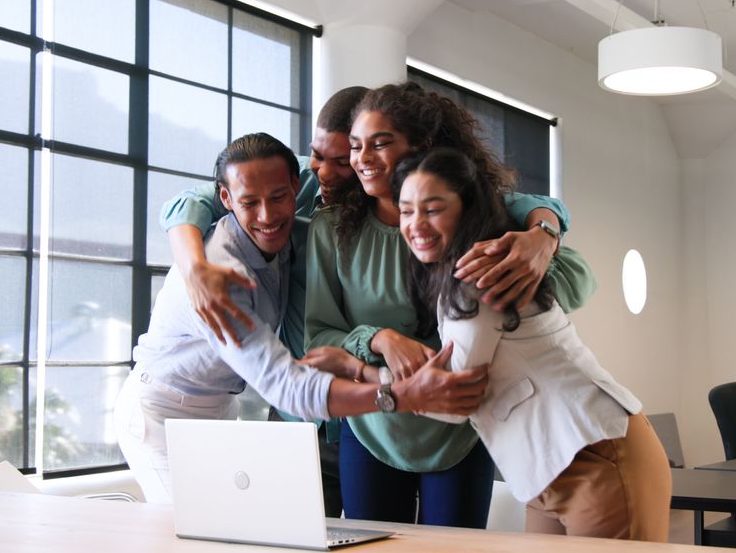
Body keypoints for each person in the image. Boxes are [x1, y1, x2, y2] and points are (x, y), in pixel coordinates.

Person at [115, 133, 489, 504]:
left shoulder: (295, 231)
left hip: (221, 407)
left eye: (278, 197)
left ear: (297, 185)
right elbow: (284, 386)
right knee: (189, 531)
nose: (267, 215)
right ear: (226, 200)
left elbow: (500, 199)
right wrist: (396, 395)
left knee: (227, 527)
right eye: (250, 203)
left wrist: (541, 232)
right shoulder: (221, 275)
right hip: (160, 410)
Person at [304, 81, 597, 528]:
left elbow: (578, 280)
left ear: (421, 146)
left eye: (380, 144)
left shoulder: (471, 217)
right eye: (356, 147)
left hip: (462, 427)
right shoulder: (331, 230)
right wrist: (379, 339)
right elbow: (319, 334)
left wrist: (544, 238)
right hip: (374, 425)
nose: (362, 160)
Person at [392, 148, 671, 540]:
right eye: (406, 211)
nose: (416, 224)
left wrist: (368, 379)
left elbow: (456, 399)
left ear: (468, 207)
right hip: (549, 468)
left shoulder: (481, 273)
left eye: (432, 209)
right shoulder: (454, 275)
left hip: (595, 456)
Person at [159, 86, 369, 516]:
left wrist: (544, 228)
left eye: (341, 162)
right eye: (317, 156)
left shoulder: (405, 207)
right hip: (283, 412)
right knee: (213, 534)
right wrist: (194, 268)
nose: (324, 172)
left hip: (241, 409)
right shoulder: (232, 263)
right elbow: (188, 202)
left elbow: (517, 203)